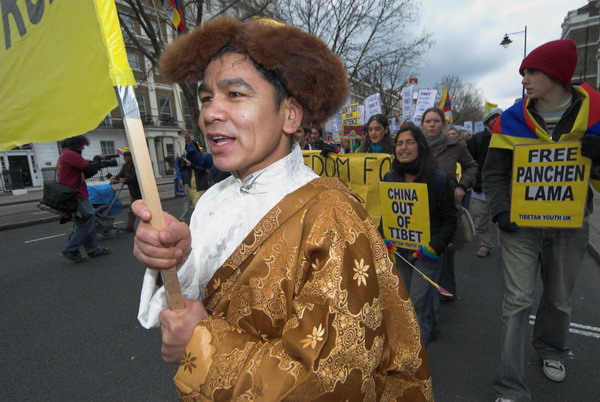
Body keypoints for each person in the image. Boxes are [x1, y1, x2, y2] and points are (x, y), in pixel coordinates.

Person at [133, 16, 431, 400]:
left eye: (235, 94)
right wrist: (175, 259)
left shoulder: (332, 215)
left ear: (290, 115)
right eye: (207, 97)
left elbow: (331, 380)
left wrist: (203, 343)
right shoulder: (211, 198)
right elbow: (194, 301)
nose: (210, 113)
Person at [483, 39, 600, 401]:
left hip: (570, 225)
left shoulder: (596, 115)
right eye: (523, 73)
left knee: (559, 299)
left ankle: (550, 349)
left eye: (532, 72)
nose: (525, 79)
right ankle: (510, 388)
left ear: (556, 75)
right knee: (517, 303)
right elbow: (494, 173)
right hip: (521, 227)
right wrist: (501, 210)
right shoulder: (511, 119)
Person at [383, 122, 457, 346]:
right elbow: (387, 215)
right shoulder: (390, 178)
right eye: (399, 144)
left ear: (420, 146)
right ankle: (432, 329)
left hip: (427, 253)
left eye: (409, 143)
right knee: (420, 299)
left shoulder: (439, 179)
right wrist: (385, 236)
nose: (403, 148)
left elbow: (450, 220)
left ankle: (414, 359)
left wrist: (433, 247)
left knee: (415, 304)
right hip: (402, 251)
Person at [421, 107, 477, 301]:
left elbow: (472, 166)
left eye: (436, 121)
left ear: (443, 124)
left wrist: (462, 185)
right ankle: (425, 291)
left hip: (446, 207)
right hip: (422, 206)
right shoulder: (415, 144)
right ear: (422, 124)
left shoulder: (456, 145)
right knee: (427, 249)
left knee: (446, 251)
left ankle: (445, 291)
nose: (432, 125)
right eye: (428, 121)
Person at [58, 135, 113, 262]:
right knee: (87, 221)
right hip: (76, 195)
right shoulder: (71, 155)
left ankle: (93, 249)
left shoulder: (65, 154)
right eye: (82, 145)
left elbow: (86, 172)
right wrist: (97, 159)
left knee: (85, 222)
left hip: (73, 194)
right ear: (76, 144)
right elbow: (88, 168)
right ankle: (70, 250)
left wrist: (97, 164)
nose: (83, 148)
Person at [466, 107, 503, 258]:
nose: (495, 120)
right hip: (480, 189)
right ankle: (485, 244)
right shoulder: (477, 139)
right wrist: (474, 181)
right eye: (492, 117)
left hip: (503, 189)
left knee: (504, 221)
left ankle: (506, 249)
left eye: (498, 117)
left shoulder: (511, 137)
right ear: (487, 121)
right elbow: (469, 163)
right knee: (480, 220)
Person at [110, 147, 140, 233]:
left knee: (143, 210)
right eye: (124, 156)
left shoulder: (136, 164)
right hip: (133, 191)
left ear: (131, 156)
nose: (124, 157)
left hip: (141, 191)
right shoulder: (125, 165)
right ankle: (129, 227)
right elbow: (121, 174)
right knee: (131, 210)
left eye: (126, 155)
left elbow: (135, 176)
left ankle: (153, 225)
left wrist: (126, 180)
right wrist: (114, 179)